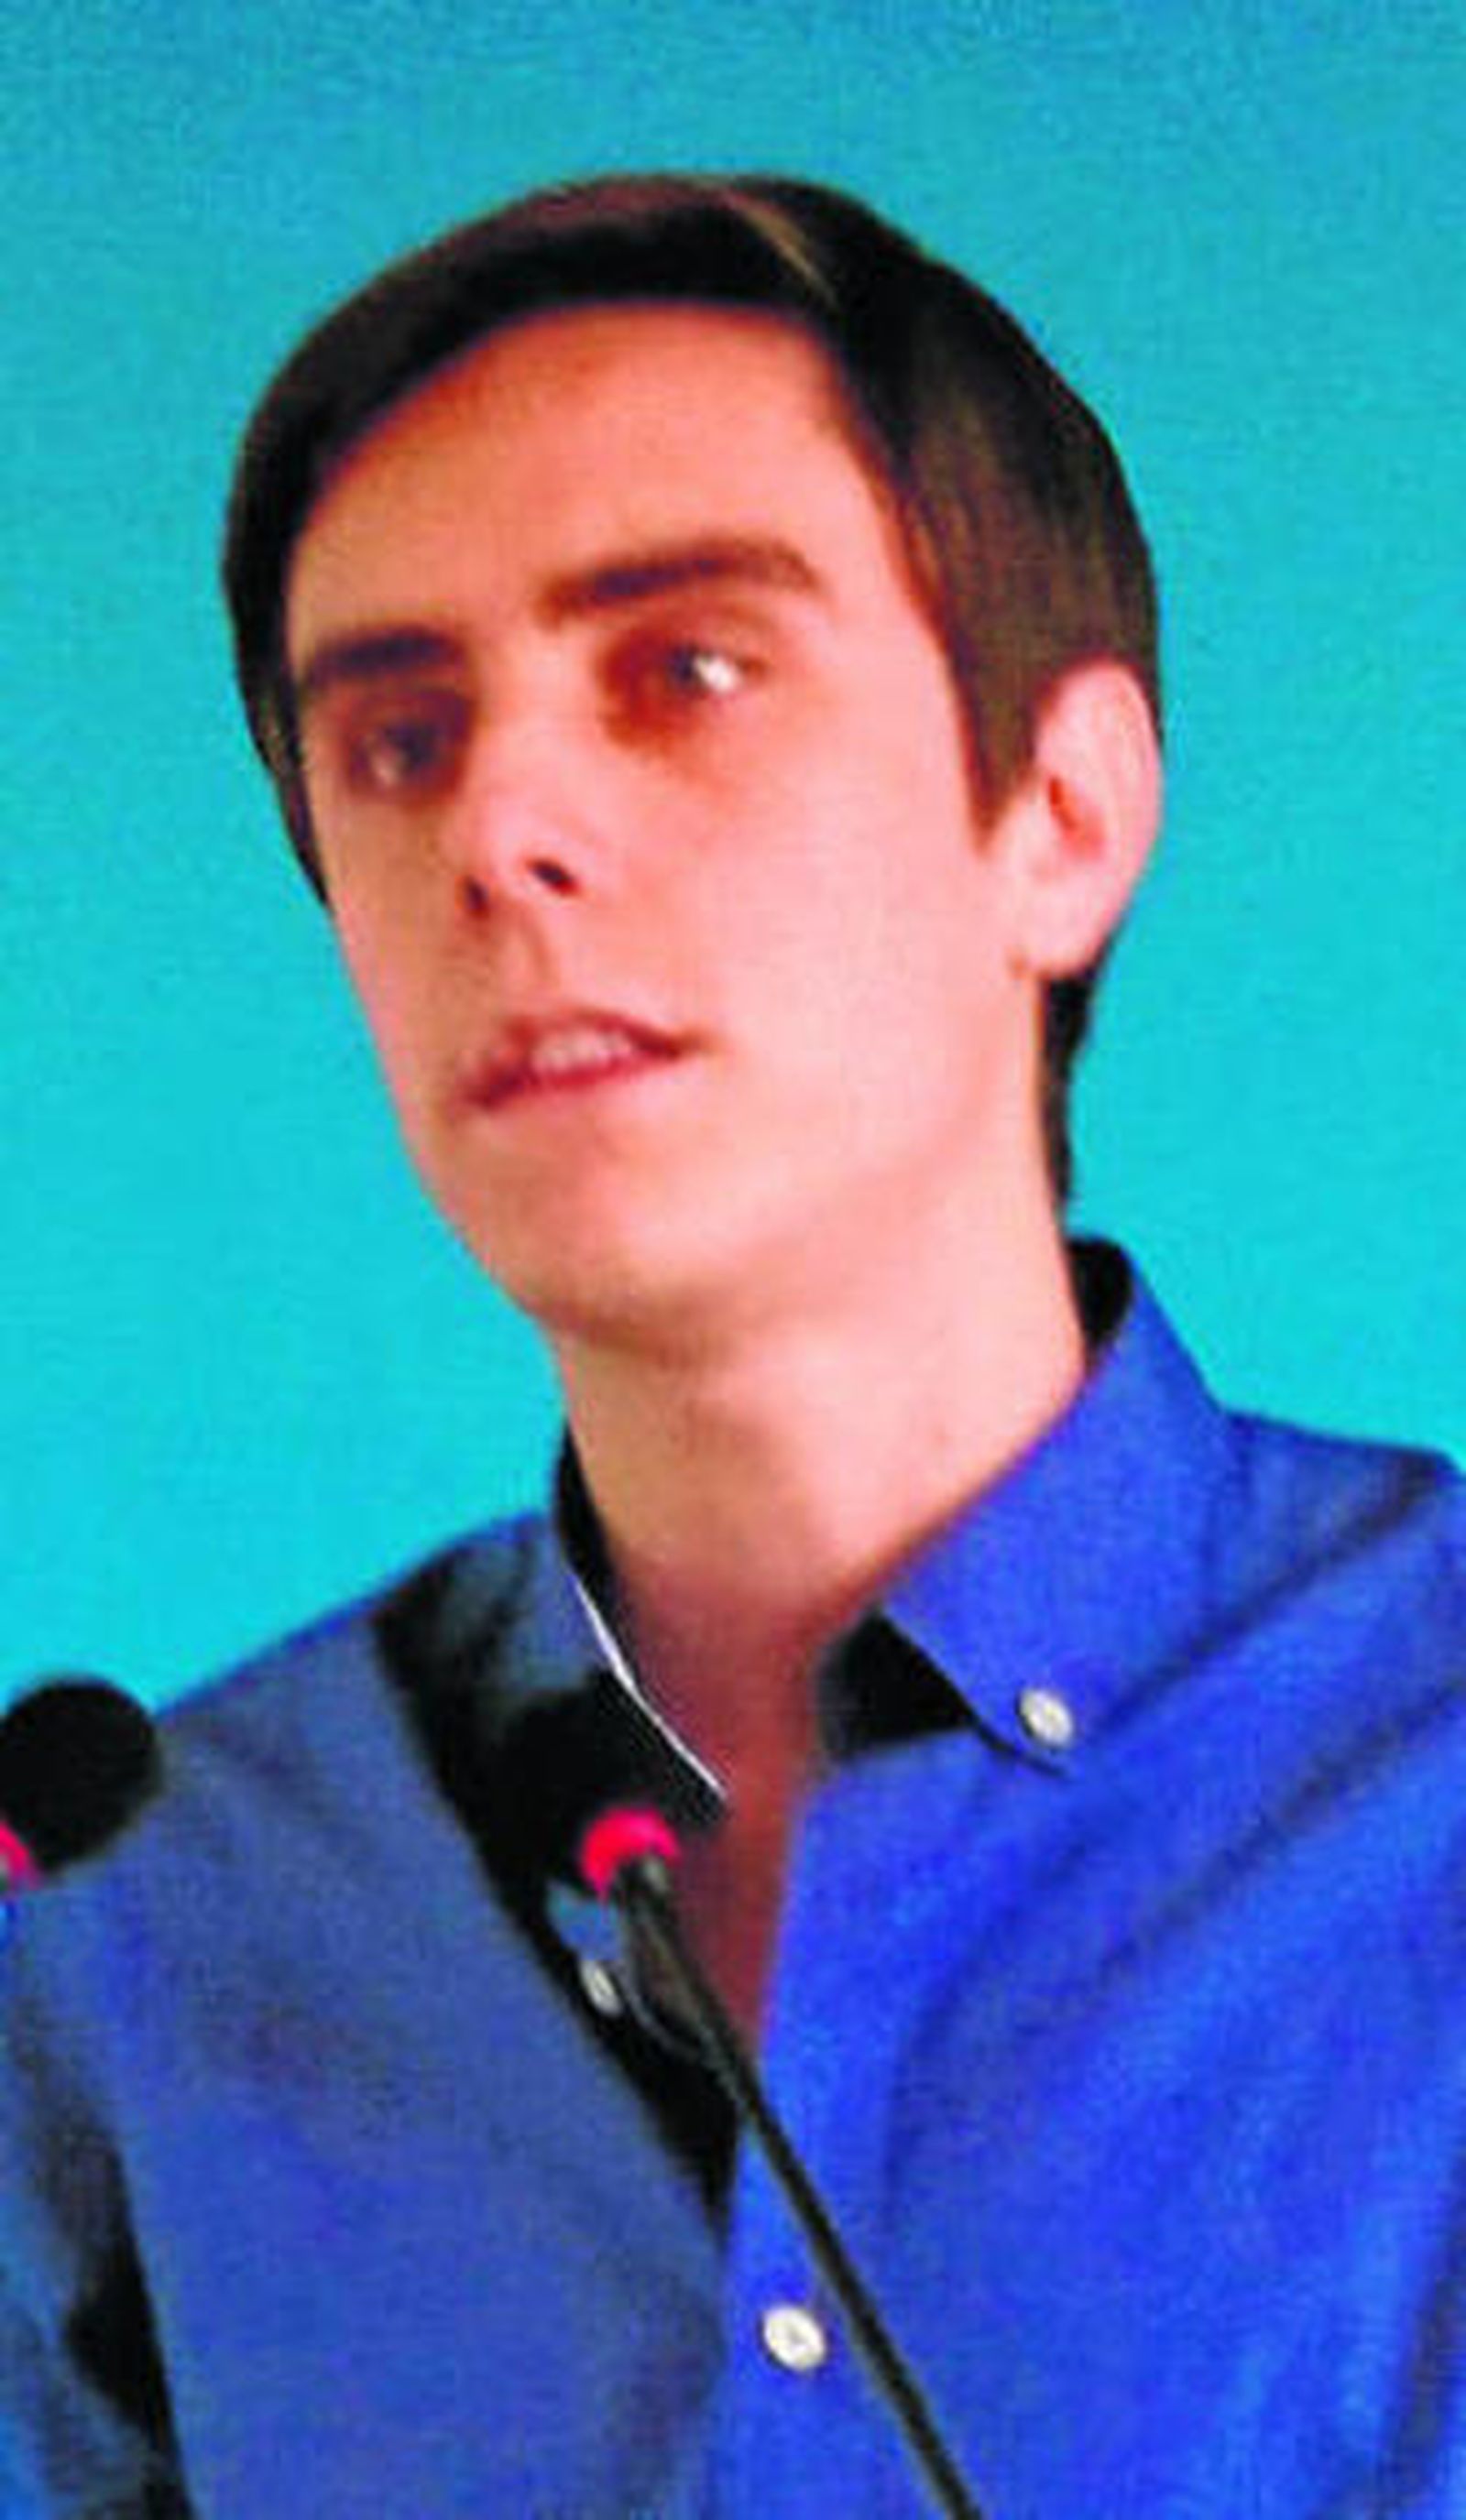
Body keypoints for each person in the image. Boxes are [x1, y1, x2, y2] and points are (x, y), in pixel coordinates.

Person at [1, 173, 1461, 2520]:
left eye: (681, 670)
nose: (502, 825)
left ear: (1061, 815)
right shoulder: (137, 1911)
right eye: (398, 740)